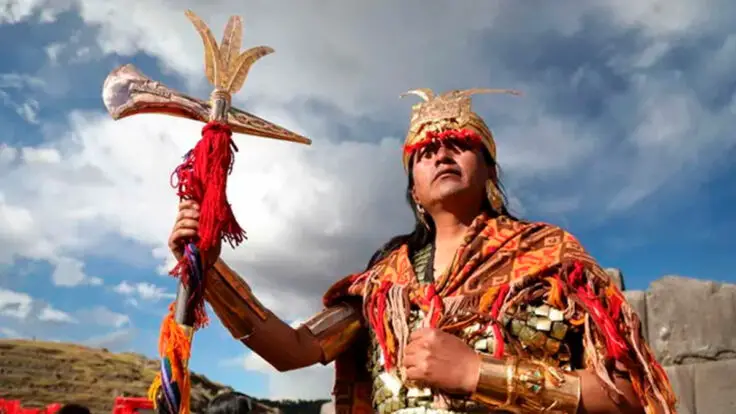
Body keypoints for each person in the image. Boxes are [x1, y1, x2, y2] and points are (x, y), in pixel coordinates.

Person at [169, 88, 677, 414]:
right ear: (413, 185)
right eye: (424, 151)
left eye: (458, 143)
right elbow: (292, 350)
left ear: (489, 170)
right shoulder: (381, 283)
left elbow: (629, 396)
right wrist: (209, 270)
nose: (440, 152)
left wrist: (479, 373)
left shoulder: (552, 257)